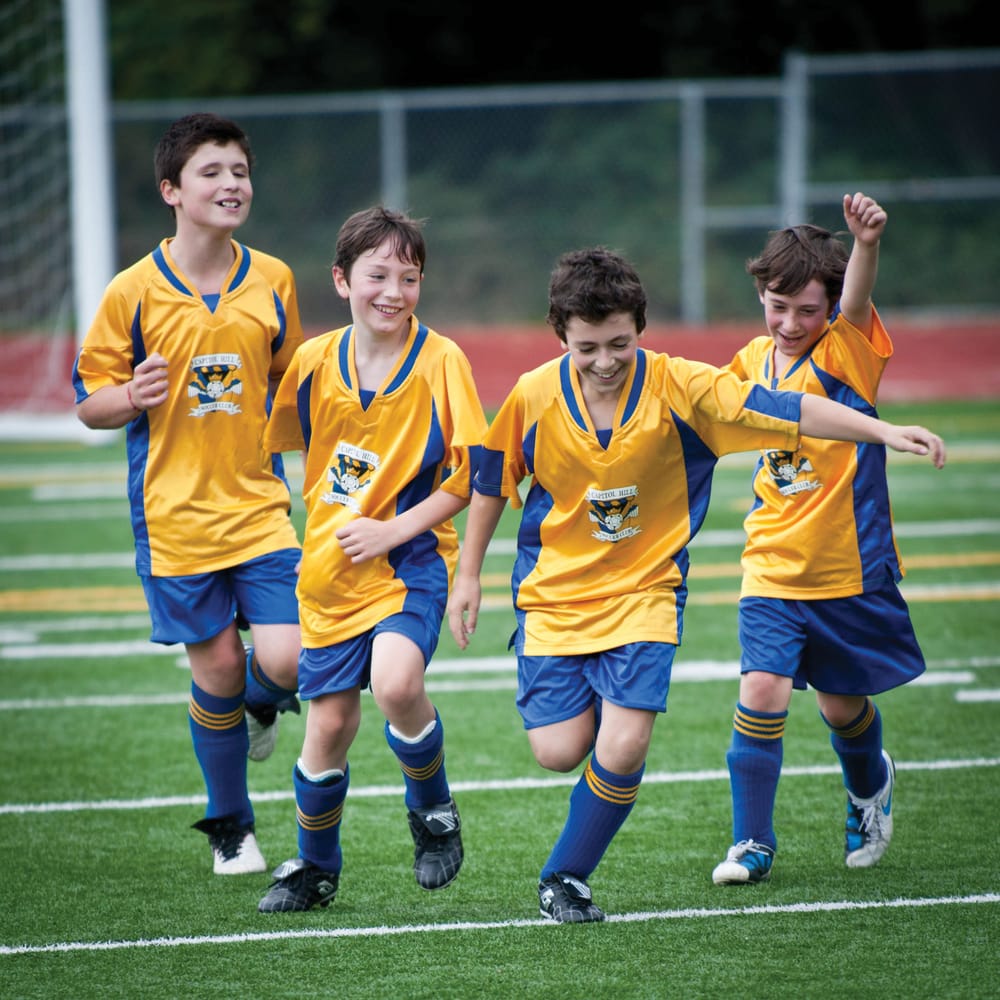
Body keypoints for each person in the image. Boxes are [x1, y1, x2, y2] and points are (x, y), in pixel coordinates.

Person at [446, 245, 945, 923]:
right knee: (557, 752)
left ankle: (565, 877)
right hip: (554, 596)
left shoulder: (682, 387)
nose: (604, 361)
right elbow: (490, 479)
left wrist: (882, 431)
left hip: (646, 593)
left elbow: (792, 410)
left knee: (625, 743)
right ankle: (598, 716)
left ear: (640, 329)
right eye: (587, 347)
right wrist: (468, 575)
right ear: (560, 334)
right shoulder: (533, 394)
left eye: (619, 344)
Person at [72, 113, 304, 876]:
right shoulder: (131, 292)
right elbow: (90, 403)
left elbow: (292, 380)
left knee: (289, 658)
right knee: (218, 670)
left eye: (240, 171)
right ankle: (231, 826)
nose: (232, 183)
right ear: (171, 190)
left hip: (259, 508)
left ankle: (264, 704)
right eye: (212, 172)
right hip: (174, 520)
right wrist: (130, 396)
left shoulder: (273, 279)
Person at [256, 205, 488, 913]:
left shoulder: (442, 361)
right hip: (330, 574)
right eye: (377, 275)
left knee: (394, 682)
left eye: (408, 278)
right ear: (341, 280)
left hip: (409, 560)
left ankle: (434, 811)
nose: (393, 291)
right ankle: (315, 867)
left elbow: (470, 477)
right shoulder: (311, 362)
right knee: (326, 727)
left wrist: (392, 531)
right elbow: (296, 458)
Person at [711, 193, 928, 886]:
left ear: (830, 309)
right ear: (760, 295)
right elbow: (704, 411)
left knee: (841, 706)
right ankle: (751, 842)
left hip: (847, 568)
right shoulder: (750, 360)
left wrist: (866, 244)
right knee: (762, 688)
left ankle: (869, 784)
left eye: (808, 310)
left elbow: (857, 300)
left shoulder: (845, 352)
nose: (790, 323)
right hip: (771, 563)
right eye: (778, 306)